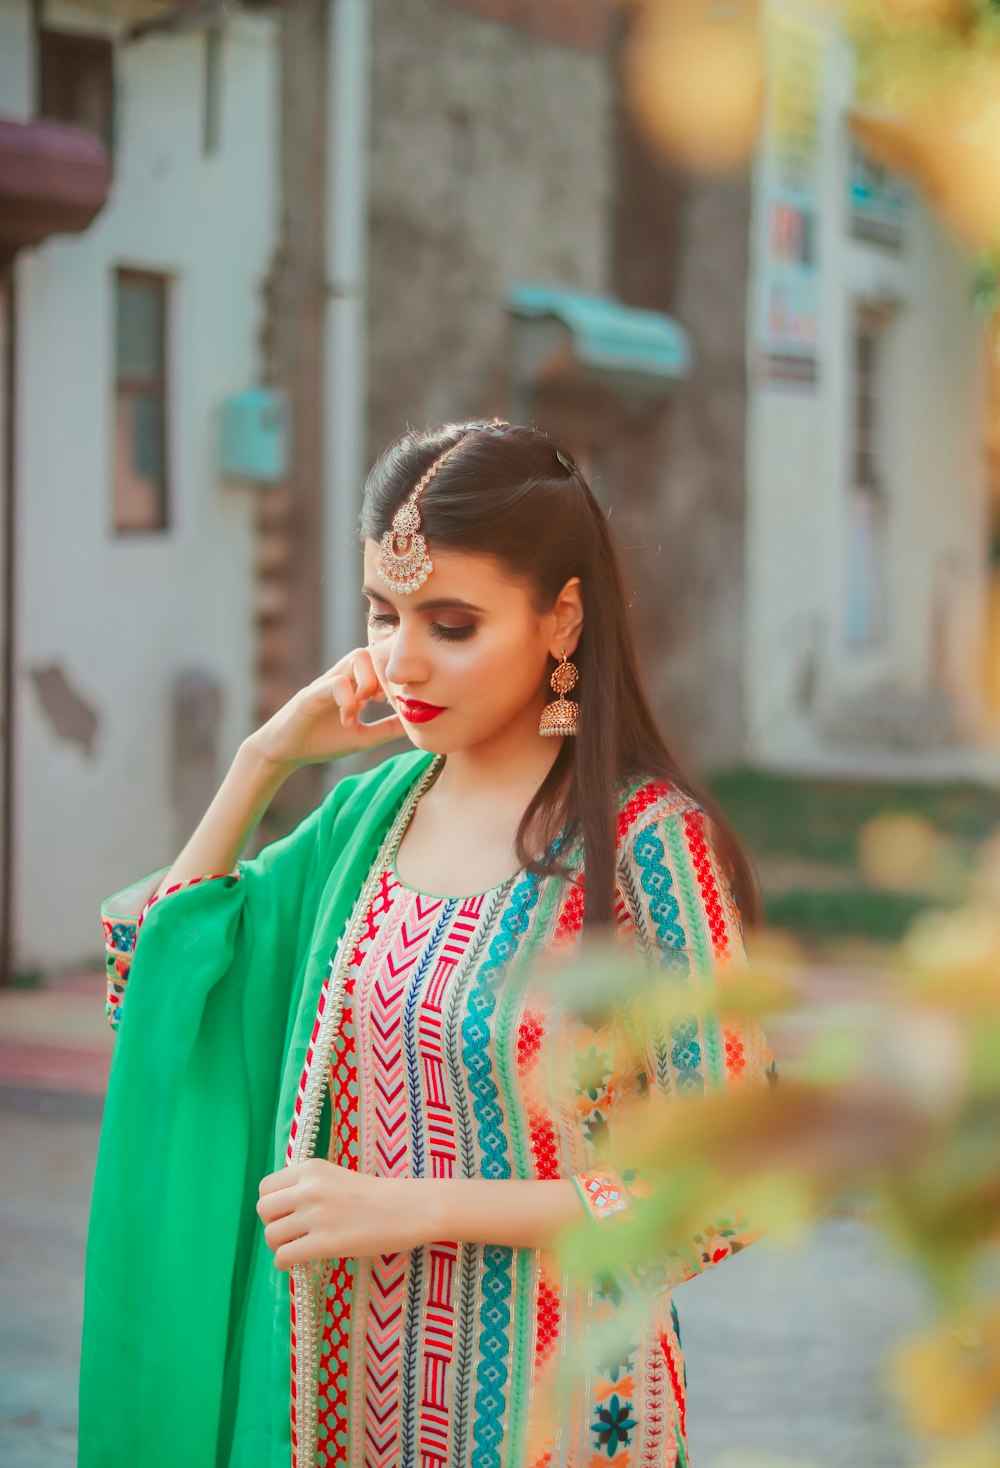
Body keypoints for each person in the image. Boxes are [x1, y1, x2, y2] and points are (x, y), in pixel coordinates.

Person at [81, 419, 776, 1468]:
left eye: (451, 623)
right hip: (336, 1401)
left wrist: (418, 1208)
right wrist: (263, 760)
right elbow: (158, 985)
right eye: (383, 613)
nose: (401, 659)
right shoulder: (371, 819)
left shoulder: (646, 846)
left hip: (556, 1413)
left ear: (562, 619)